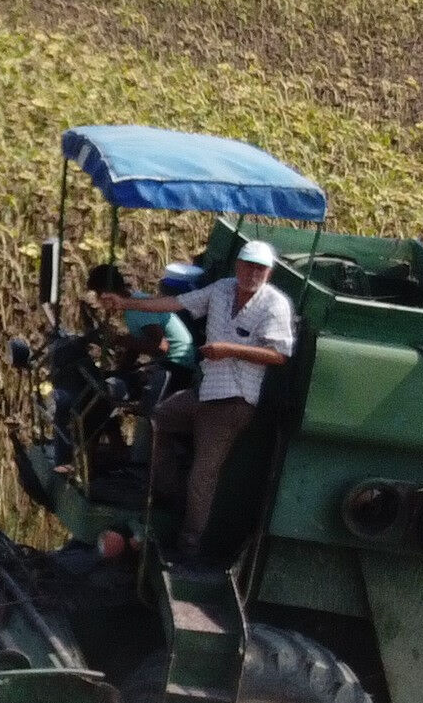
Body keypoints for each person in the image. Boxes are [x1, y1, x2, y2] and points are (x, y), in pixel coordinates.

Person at [93, 238, 298, 563]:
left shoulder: (275, 305)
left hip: (234, 401)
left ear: (268, 273)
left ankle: (188, 548)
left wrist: (228, 350)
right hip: (205, 391)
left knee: (204, 475)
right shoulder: (222, 289)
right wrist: (127, 303)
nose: (252, 273)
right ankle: (171, 495)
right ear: (238, 265)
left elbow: (279, 354)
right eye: (248, 265)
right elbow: (175, 303)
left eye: (260, 268)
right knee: (160, 418)